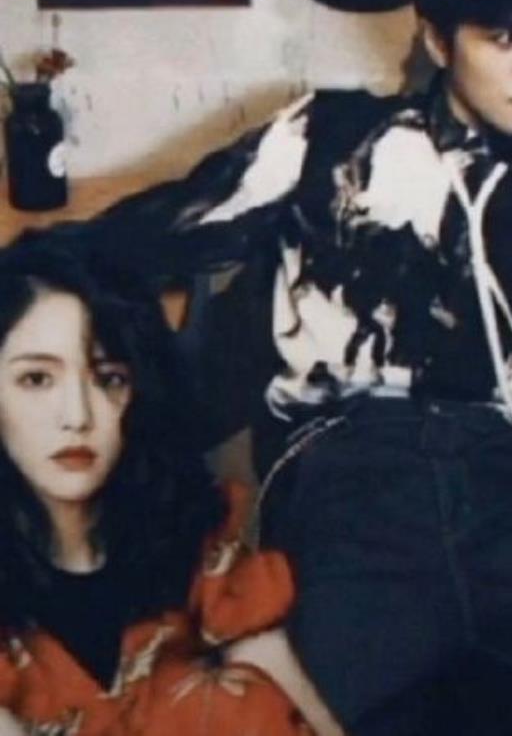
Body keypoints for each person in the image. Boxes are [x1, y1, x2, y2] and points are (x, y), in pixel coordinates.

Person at [85, 0, 512, 731]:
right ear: (439, 39)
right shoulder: (328, 138)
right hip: (354, 490)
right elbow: (134, 240)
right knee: (316, 717)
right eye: (504, 38)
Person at [0, 228, 334, 736]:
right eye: (36, 379)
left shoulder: (183, 526)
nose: (77, 416)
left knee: (241, 702)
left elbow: (266, 659)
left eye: (109, 378)